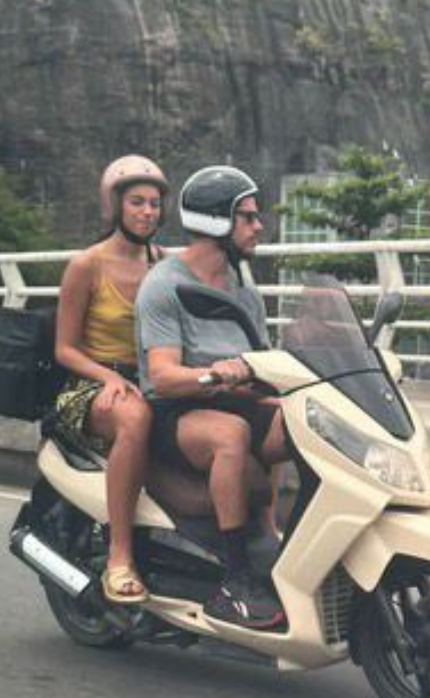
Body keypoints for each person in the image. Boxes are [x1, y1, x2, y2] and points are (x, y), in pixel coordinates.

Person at [136, 165, 288, 631]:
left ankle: (289, 545)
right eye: (247, 217)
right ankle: (235, 580)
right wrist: (213, 375)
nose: (258, 227)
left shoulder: (244, 287)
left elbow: (261, 360)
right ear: (217, 222)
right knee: (231, 435)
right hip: (175, 411)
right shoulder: (164, 285)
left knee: (307, 421)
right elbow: (161, 376)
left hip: (233, 398)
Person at [53, 155, 168, 604]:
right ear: (115, 207)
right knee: (135, 419)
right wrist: (107, 378)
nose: (147, 212)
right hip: (90, 385)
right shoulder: (87, 265)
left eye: (155, 204)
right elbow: (64, 348)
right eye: (137, 202)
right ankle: (120, 556)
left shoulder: (164, 264)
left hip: (151, 380)